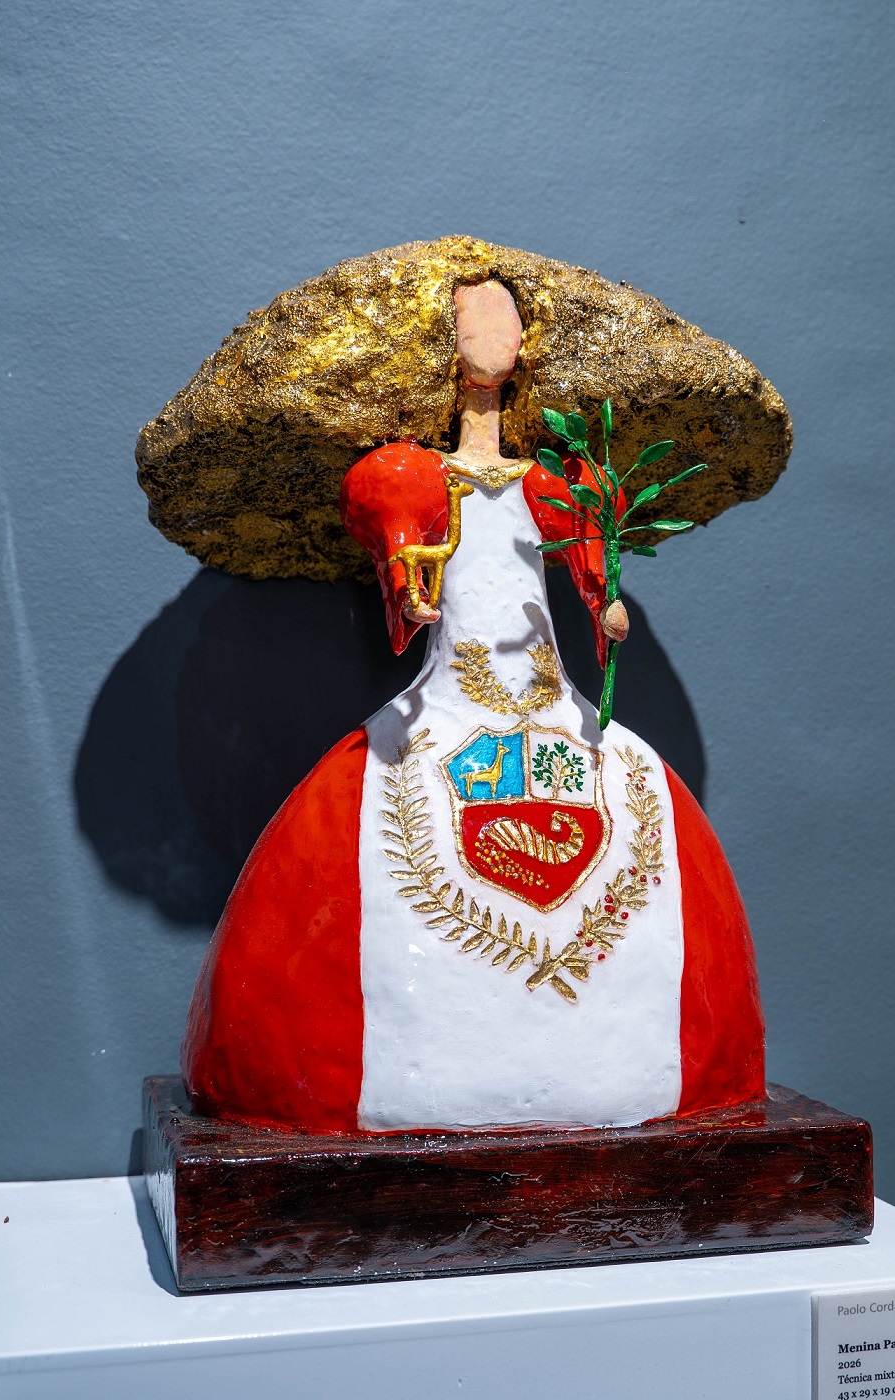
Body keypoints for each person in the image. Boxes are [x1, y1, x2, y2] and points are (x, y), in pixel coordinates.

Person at [180, 279, 765, 1132]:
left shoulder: (556, 481)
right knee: (372, 834)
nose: (494, 339)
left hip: (550, 690)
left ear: (528, 348)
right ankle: (406, 1072)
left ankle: (622, 1066)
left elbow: (590, 566)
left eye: (508, 323)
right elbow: (401, 562)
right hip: (447, 691)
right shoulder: (413, 475)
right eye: (474, 323)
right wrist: (408, 589)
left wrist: (603, 602)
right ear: (443, 348)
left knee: (637, 813)